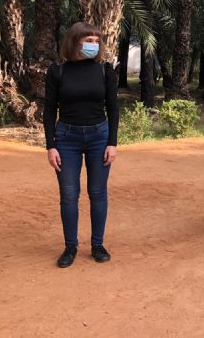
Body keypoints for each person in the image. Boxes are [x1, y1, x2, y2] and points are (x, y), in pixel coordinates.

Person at [43, 22, 119, 267]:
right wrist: (51, 145)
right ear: (74, 42)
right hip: (66, 138)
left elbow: (113, 108)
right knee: (68, 194)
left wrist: (112, 143)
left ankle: (97, 245)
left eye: (97, 41)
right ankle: (70, 247)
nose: (94, 45)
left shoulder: (105, 71)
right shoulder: (58, 71)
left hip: (99, 137)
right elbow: (49, 110)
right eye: (88, 41)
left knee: (97, 193)